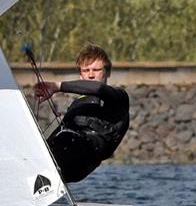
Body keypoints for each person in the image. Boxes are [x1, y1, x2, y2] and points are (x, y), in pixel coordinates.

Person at [35, 44, 129, 184]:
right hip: (65, 146)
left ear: (107, 72)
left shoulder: (118, 97)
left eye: (96, 70)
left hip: (87, 154)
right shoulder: (78, 104)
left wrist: (57, 86)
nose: (91, 75)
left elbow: (99, 88)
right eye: (86, 70)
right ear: (80, 74)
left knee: (66, 141)